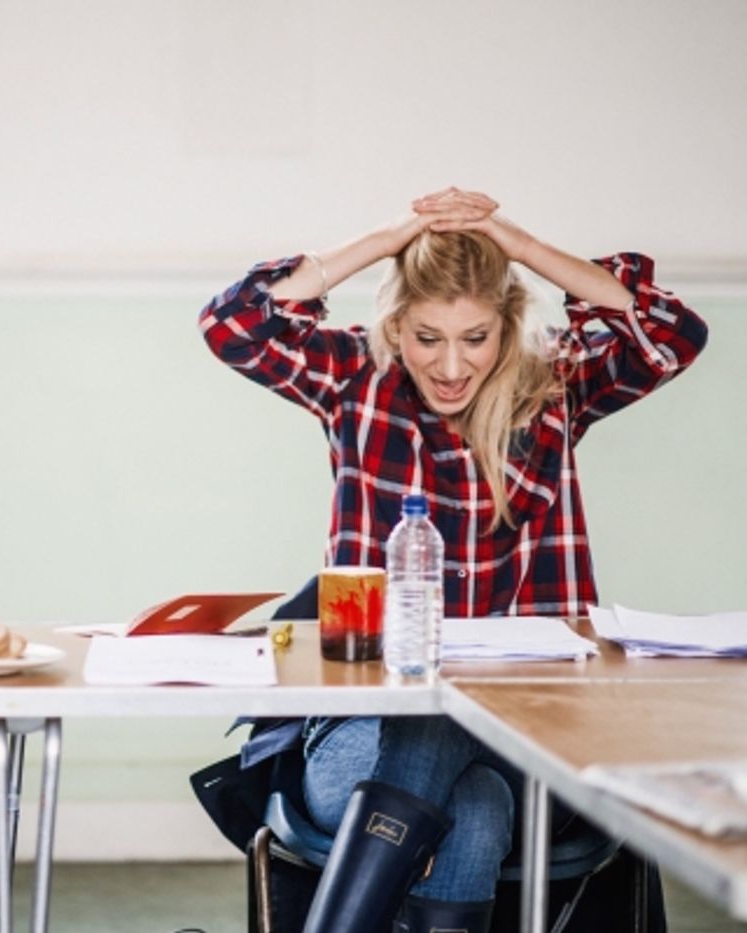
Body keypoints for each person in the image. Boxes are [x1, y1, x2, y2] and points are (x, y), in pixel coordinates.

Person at [198, 188, 707, 933]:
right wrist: (391, 238)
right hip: (363, 727)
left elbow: (672, 330)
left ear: (507, 326)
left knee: (458, 715)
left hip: (538, 733)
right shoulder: (354, 382)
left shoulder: (555, 388)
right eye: (427, 336)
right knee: (465, 792)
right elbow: (234, 323)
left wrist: (521, 247)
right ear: (395, 325)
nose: (450, 365)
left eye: (476, 336)